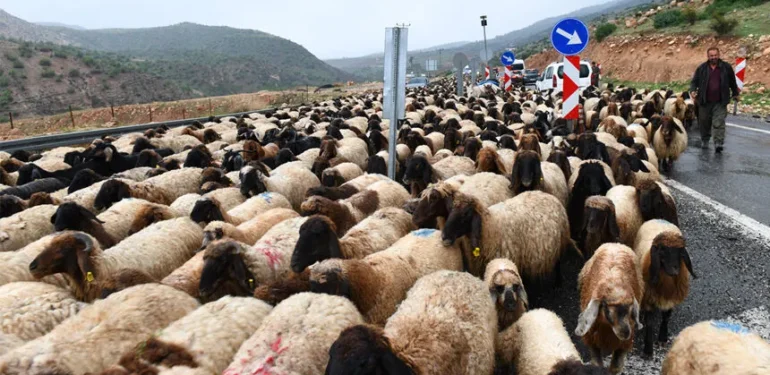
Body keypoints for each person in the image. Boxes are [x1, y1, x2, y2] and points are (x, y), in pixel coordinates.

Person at [689, 47, 740, 153]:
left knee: (719, 122)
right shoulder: (702, 68)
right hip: (704, 101)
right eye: (711, 56)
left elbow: (732, 82)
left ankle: (718, 143)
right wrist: (693, 90)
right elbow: (694, 82)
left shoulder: (726, 67)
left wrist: (735, 93)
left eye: (715, 55)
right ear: (708, 57)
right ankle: (705, 140)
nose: (714, 57)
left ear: (719, 55)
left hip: (720, 101)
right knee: (704, 122)